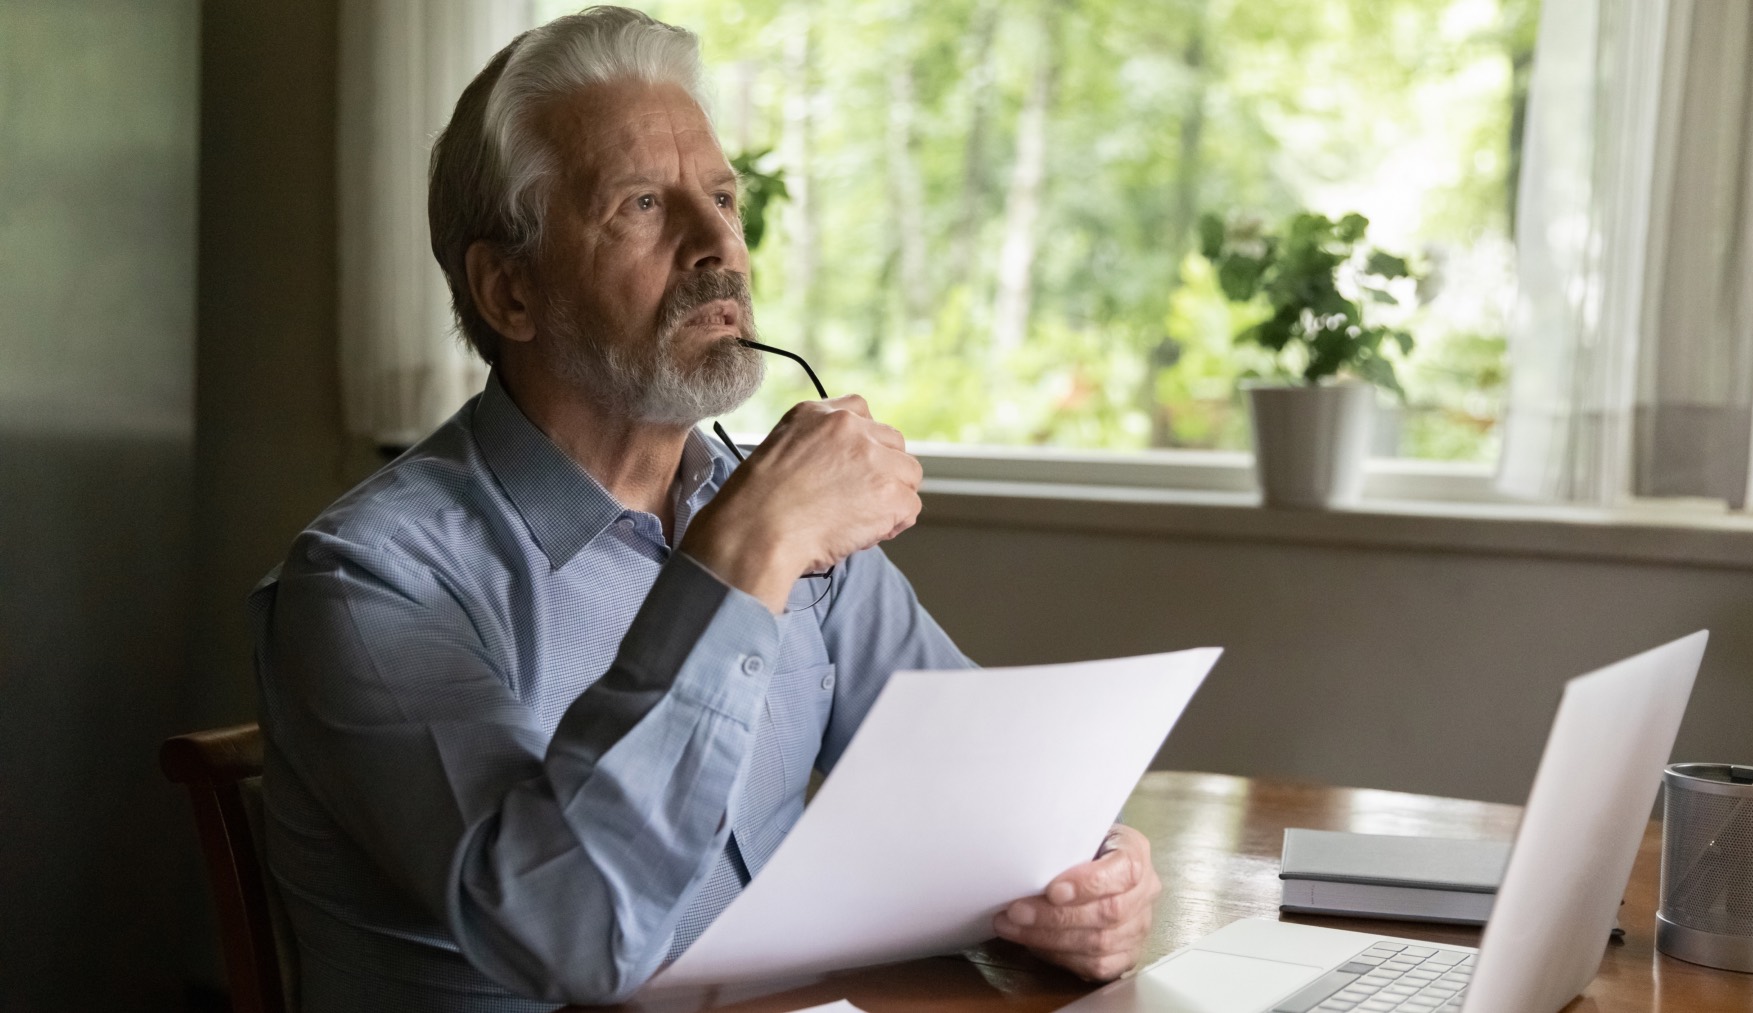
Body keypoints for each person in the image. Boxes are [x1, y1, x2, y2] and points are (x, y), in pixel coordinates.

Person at [253, 7, 1160, 1010]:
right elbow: (576, 936)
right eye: (642, 203)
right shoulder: (367, 581)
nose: (717, 244)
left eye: (722, 197)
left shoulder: (774, 511)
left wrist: (1094, 879)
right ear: (509, 290)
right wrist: (746, 550)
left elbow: (995, 798)